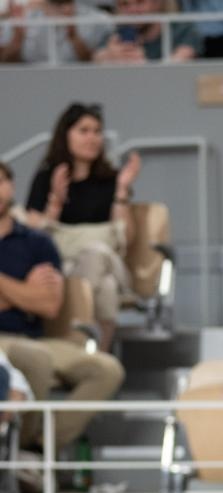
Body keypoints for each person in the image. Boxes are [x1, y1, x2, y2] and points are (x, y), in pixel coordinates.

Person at [0, 160, 124, 454]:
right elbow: (35, 298)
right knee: (35, 358)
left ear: (11, 186)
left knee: (106, 370)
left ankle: (41, 447)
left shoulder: (37, 242)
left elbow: (49, 305)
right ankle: (19, 451)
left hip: (35, 336)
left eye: (0, 181)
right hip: (6, 344)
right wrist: (26, 290)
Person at [25, 102, 141, 353]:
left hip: (106, 260)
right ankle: (97, 357)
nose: (92, 138)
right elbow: (34, 236)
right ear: (66, 134)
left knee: (97, 254)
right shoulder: (47, 177)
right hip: (65, 263)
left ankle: (79, 349)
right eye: (84, 130)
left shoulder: (111, 179)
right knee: (106, 288)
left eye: (97, 131)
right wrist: (55, 202)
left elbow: (126, 237)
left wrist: (122, 190)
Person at [0, 0, 112, 63]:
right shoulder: (19, 18)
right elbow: (5, 63)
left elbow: (98, 63)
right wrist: (18, 38)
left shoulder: (99, 21)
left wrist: (73, 36)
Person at [94, 0, 200, 62]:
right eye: (125, 4)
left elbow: (179, 61)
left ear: (157, 3)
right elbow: (96, 58)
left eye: (140, 2)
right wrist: (110, 56)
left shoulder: (183, 31)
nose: (133, 10)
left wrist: (143, 63)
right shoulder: (115, 35)